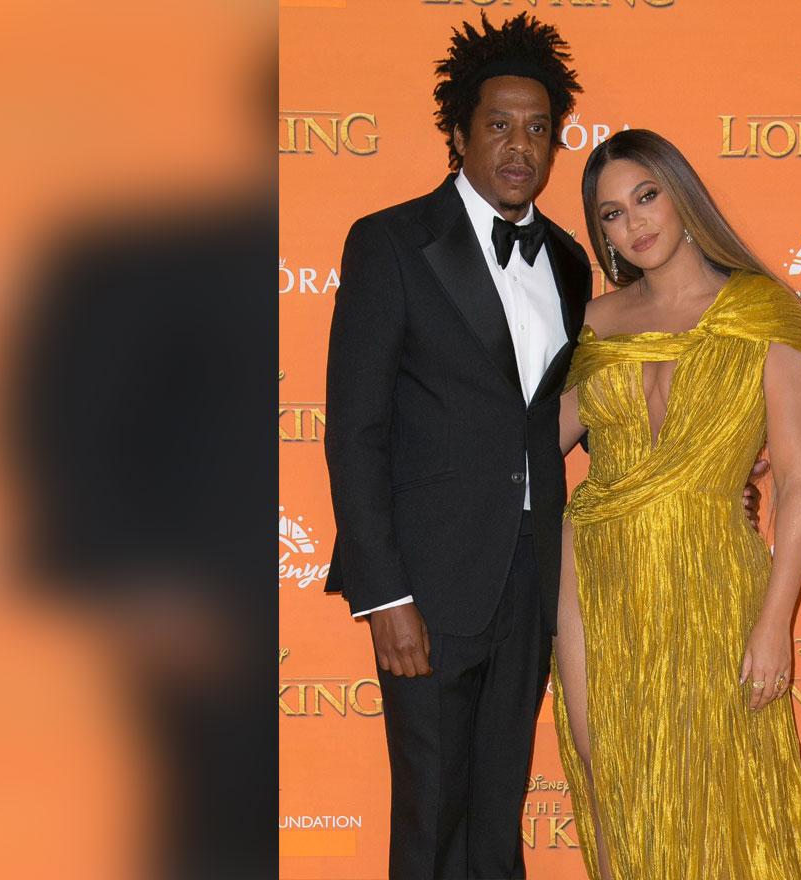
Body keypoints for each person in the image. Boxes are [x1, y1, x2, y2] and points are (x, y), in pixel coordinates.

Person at [323, 13, 589, 879]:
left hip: (530, 576)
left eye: (538, 128)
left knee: (498, 809)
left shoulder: (571, 262)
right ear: (459, 133)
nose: (520, 146)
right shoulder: (392, 242)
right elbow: (355, 431)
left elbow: (580, 411)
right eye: (500, 125)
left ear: (557, 143)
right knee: (431, 812)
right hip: (427, 585)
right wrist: (384, 593)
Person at [552, 129, 801, 879]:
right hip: (590, 578)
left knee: (717, 788)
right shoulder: (593, 323)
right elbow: (531, 449)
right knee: (611, 780)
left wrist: (776, 624)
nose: (634, 222)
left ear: (682, 196)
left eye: (646, 196)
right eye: (611, 213)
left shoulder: (764, 313)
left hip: (714, 579)